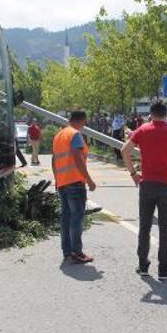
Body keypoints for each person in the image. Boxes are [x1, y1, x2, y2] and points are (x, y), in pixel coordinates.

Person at [121, 102, 167, 280]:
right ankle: (164, 269)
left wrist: (133, 173)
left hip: (147, 184)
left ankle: (143, 265)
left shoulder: (142, 130)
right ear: (166, 115)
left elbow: (124, 150)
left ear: (151, 114)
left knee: (145, 226)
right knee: (165, 228)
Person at [52, 111, 96, 264]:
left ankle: (67, 251)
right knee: (76, 218)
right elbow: (77, 157)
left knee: (66, 218)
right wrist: (89, 180)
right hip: (75, 182)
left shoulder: (59, 136)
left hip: (63, 182)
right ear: (82, 121)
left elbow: (54, 160)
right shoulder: (75, 134)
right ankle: (77, 252)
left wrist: (57, 180)